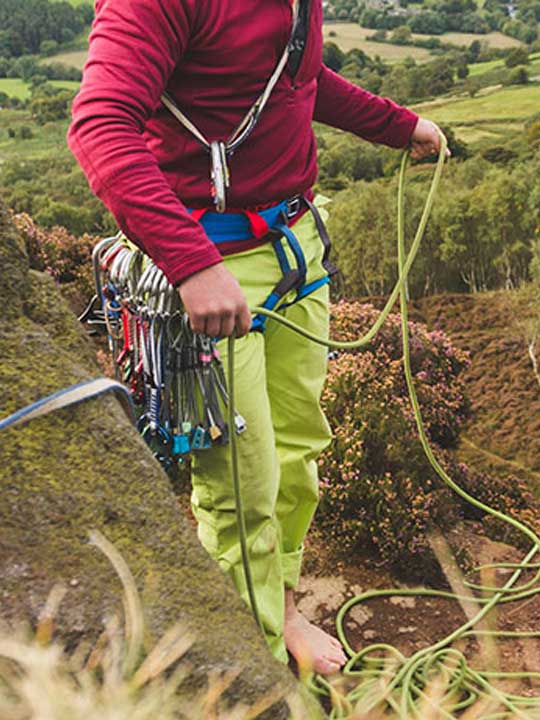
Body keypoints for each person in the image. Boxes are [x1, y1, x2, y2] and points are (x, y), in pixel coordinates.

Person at [68, 0, 446, 673]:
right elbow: (101, 126)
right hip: (211, 264)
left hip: (296, 248)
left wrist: (396, 125)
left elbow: (295, 77)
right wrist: (193, 266)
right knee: (242, 484)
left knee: (300, 452)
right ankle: (259, 677)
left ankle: (284, 608)